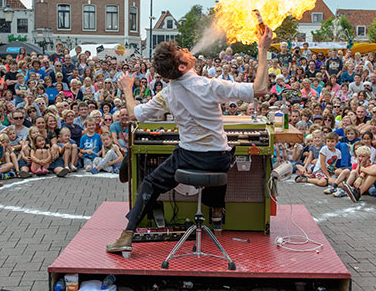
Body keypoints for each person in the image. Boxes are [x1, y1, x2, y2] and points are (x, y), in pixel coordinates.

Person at [105, 26, 271, 253]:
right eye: (181, 51)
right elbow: (260, 88)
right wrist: (263, 49)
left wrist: (127, 88)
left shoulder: (167, 93)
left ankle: (126, 236)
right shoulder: (209, 85)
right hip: (218, 160)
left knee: (151, 183)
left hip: (188, 158)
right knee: (222, 158)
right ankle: (215, 211)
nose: (186, 49)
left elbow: (135, 115)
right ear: (182, 66)